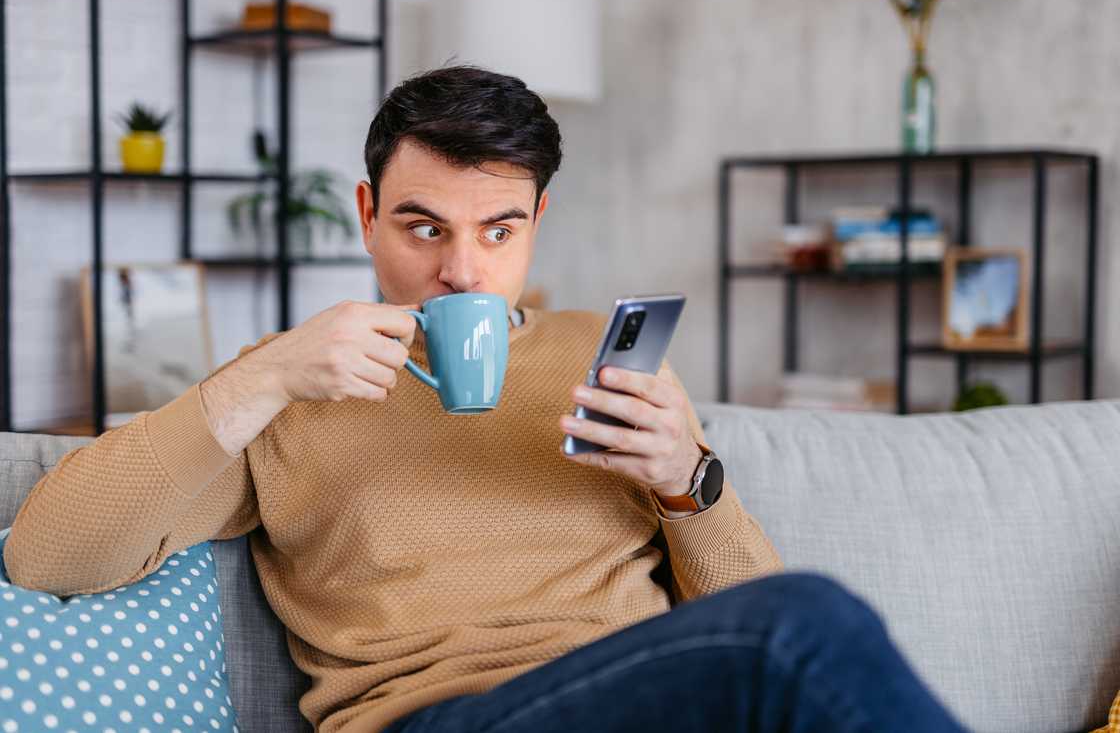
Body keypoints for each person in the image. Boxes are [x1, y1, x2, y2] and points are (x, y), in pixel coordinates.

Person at [4, 66, 969, 733]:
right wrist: (259, 378)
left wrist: (689, 481)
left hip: (640, 699)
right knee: (807, 620)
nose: (462, 271)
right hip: (441, 718)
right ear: (367, 216)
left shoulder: (606, 357)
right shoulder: (292, 387)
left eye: (498, 231)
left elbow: (737, 617)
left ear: (538, 220)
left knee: (794, 630)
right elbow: (48, 555)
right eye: (424, 227)